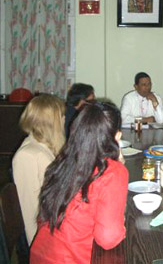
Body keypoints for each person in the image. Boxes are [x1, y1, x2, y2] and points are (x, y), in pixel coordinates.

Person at [30, 102, 128, 264]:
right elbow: (108, 239)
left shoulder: (65, 159)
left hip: (41, 254)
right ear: (117, 136)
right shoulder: (112, 172)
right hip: (73, 258)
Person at [12, 94, 65, 245]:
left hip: (56, 221)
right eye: (61, 116)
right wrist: (41, 246)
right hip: (46, 237)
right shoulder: (28, 156)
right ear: (51, 122)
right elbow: (29, 210)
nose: (64, 120)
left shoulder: (47, 145)